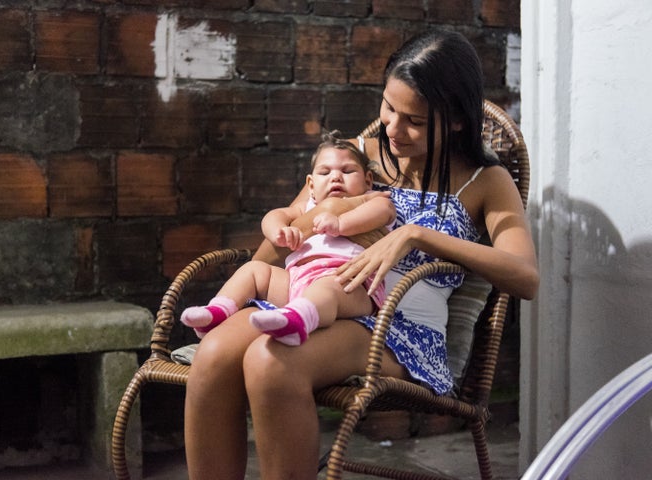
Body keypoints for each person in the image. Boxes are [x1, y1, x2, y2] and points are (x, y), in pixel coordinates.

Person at [183, 29, 539, 480]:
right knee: (213, 355)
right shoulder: (355, 157)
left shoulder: (486, 181)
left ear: (455, 121)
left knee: (270, 363)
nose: (392, 129)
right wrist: (319, 214)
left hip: (398, 329)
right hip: (311, 297)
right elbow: (279, 245)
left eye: (414, 120)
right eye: (389, 107)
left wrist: (417, 236)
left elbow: (525, 277)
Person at [179, 132, 396, 346]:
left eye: (348, 171)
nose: (336, 177)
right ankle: (218, 311)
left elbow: (382, 212)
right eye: (324, 172)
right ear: (311, 185)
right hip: (295, 281)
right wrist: (279, 231)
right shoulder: (306, 208)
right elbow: (274, 216)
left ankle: (297, 321)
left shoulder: (372, 200)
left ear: (368, 180)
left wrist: (341, 224)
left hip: (350, 284)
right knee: (253, 270)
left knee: (326, 289)